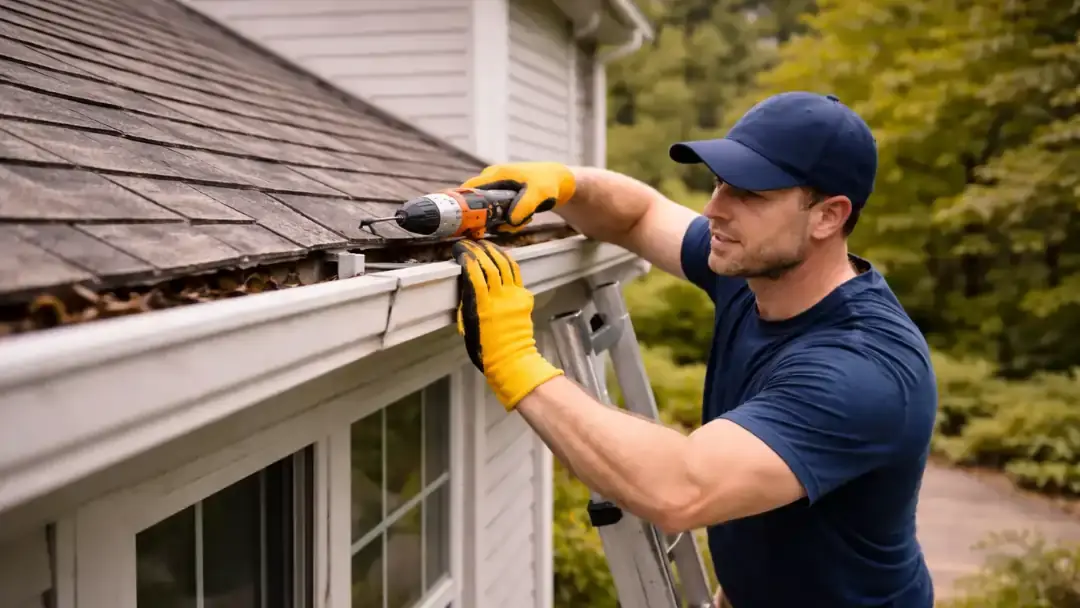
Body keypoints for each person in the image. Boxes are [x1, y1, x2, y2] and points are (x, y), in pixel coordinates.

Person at [449, 91, 937, 607]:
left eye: (749, 193)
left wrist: (514, 360)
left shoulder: (862, 368)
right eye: (720, 182)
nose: (714, 210)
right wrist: (564, 183)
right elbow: (639, 215)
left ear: (827, 217)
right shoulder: (754, 267)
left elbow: (680, 489)